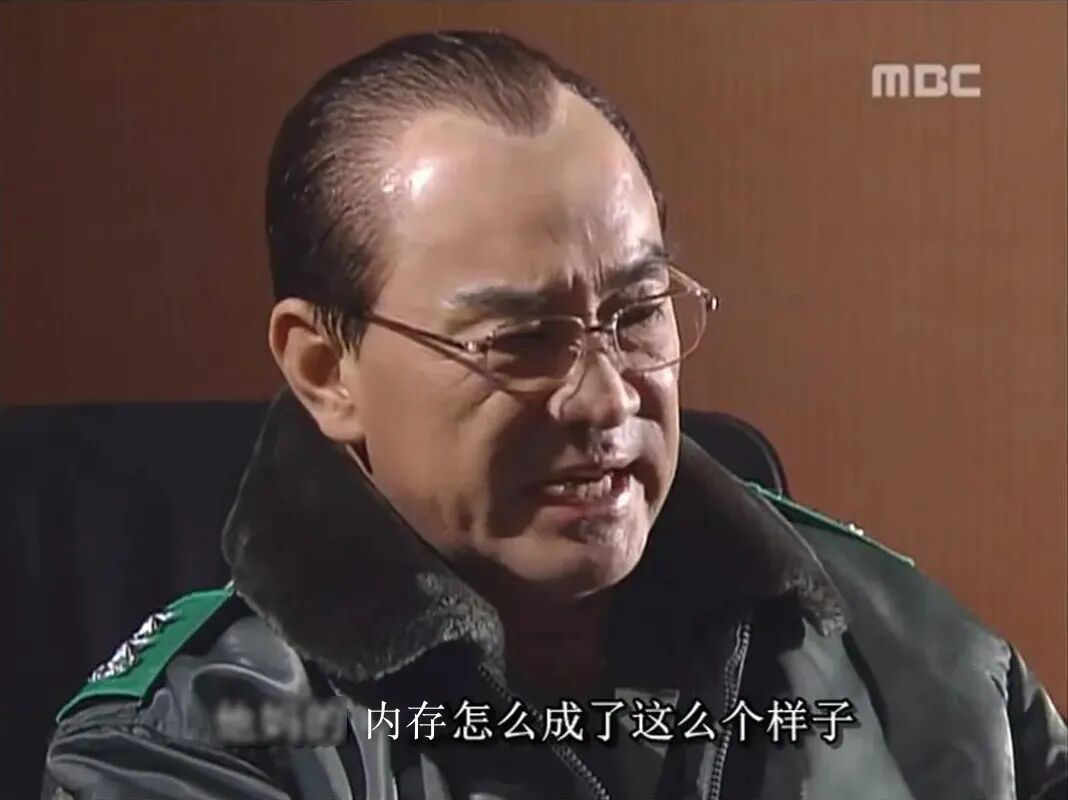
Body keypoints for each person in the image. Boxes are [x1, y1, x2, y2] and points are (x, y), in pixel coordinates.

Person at [42, 30, 1065, 800]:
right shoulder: (187, 750)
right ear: (325, 369)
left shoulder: (919, 659)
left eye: (637, 313)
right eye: (521, 340)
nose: (608, 396)